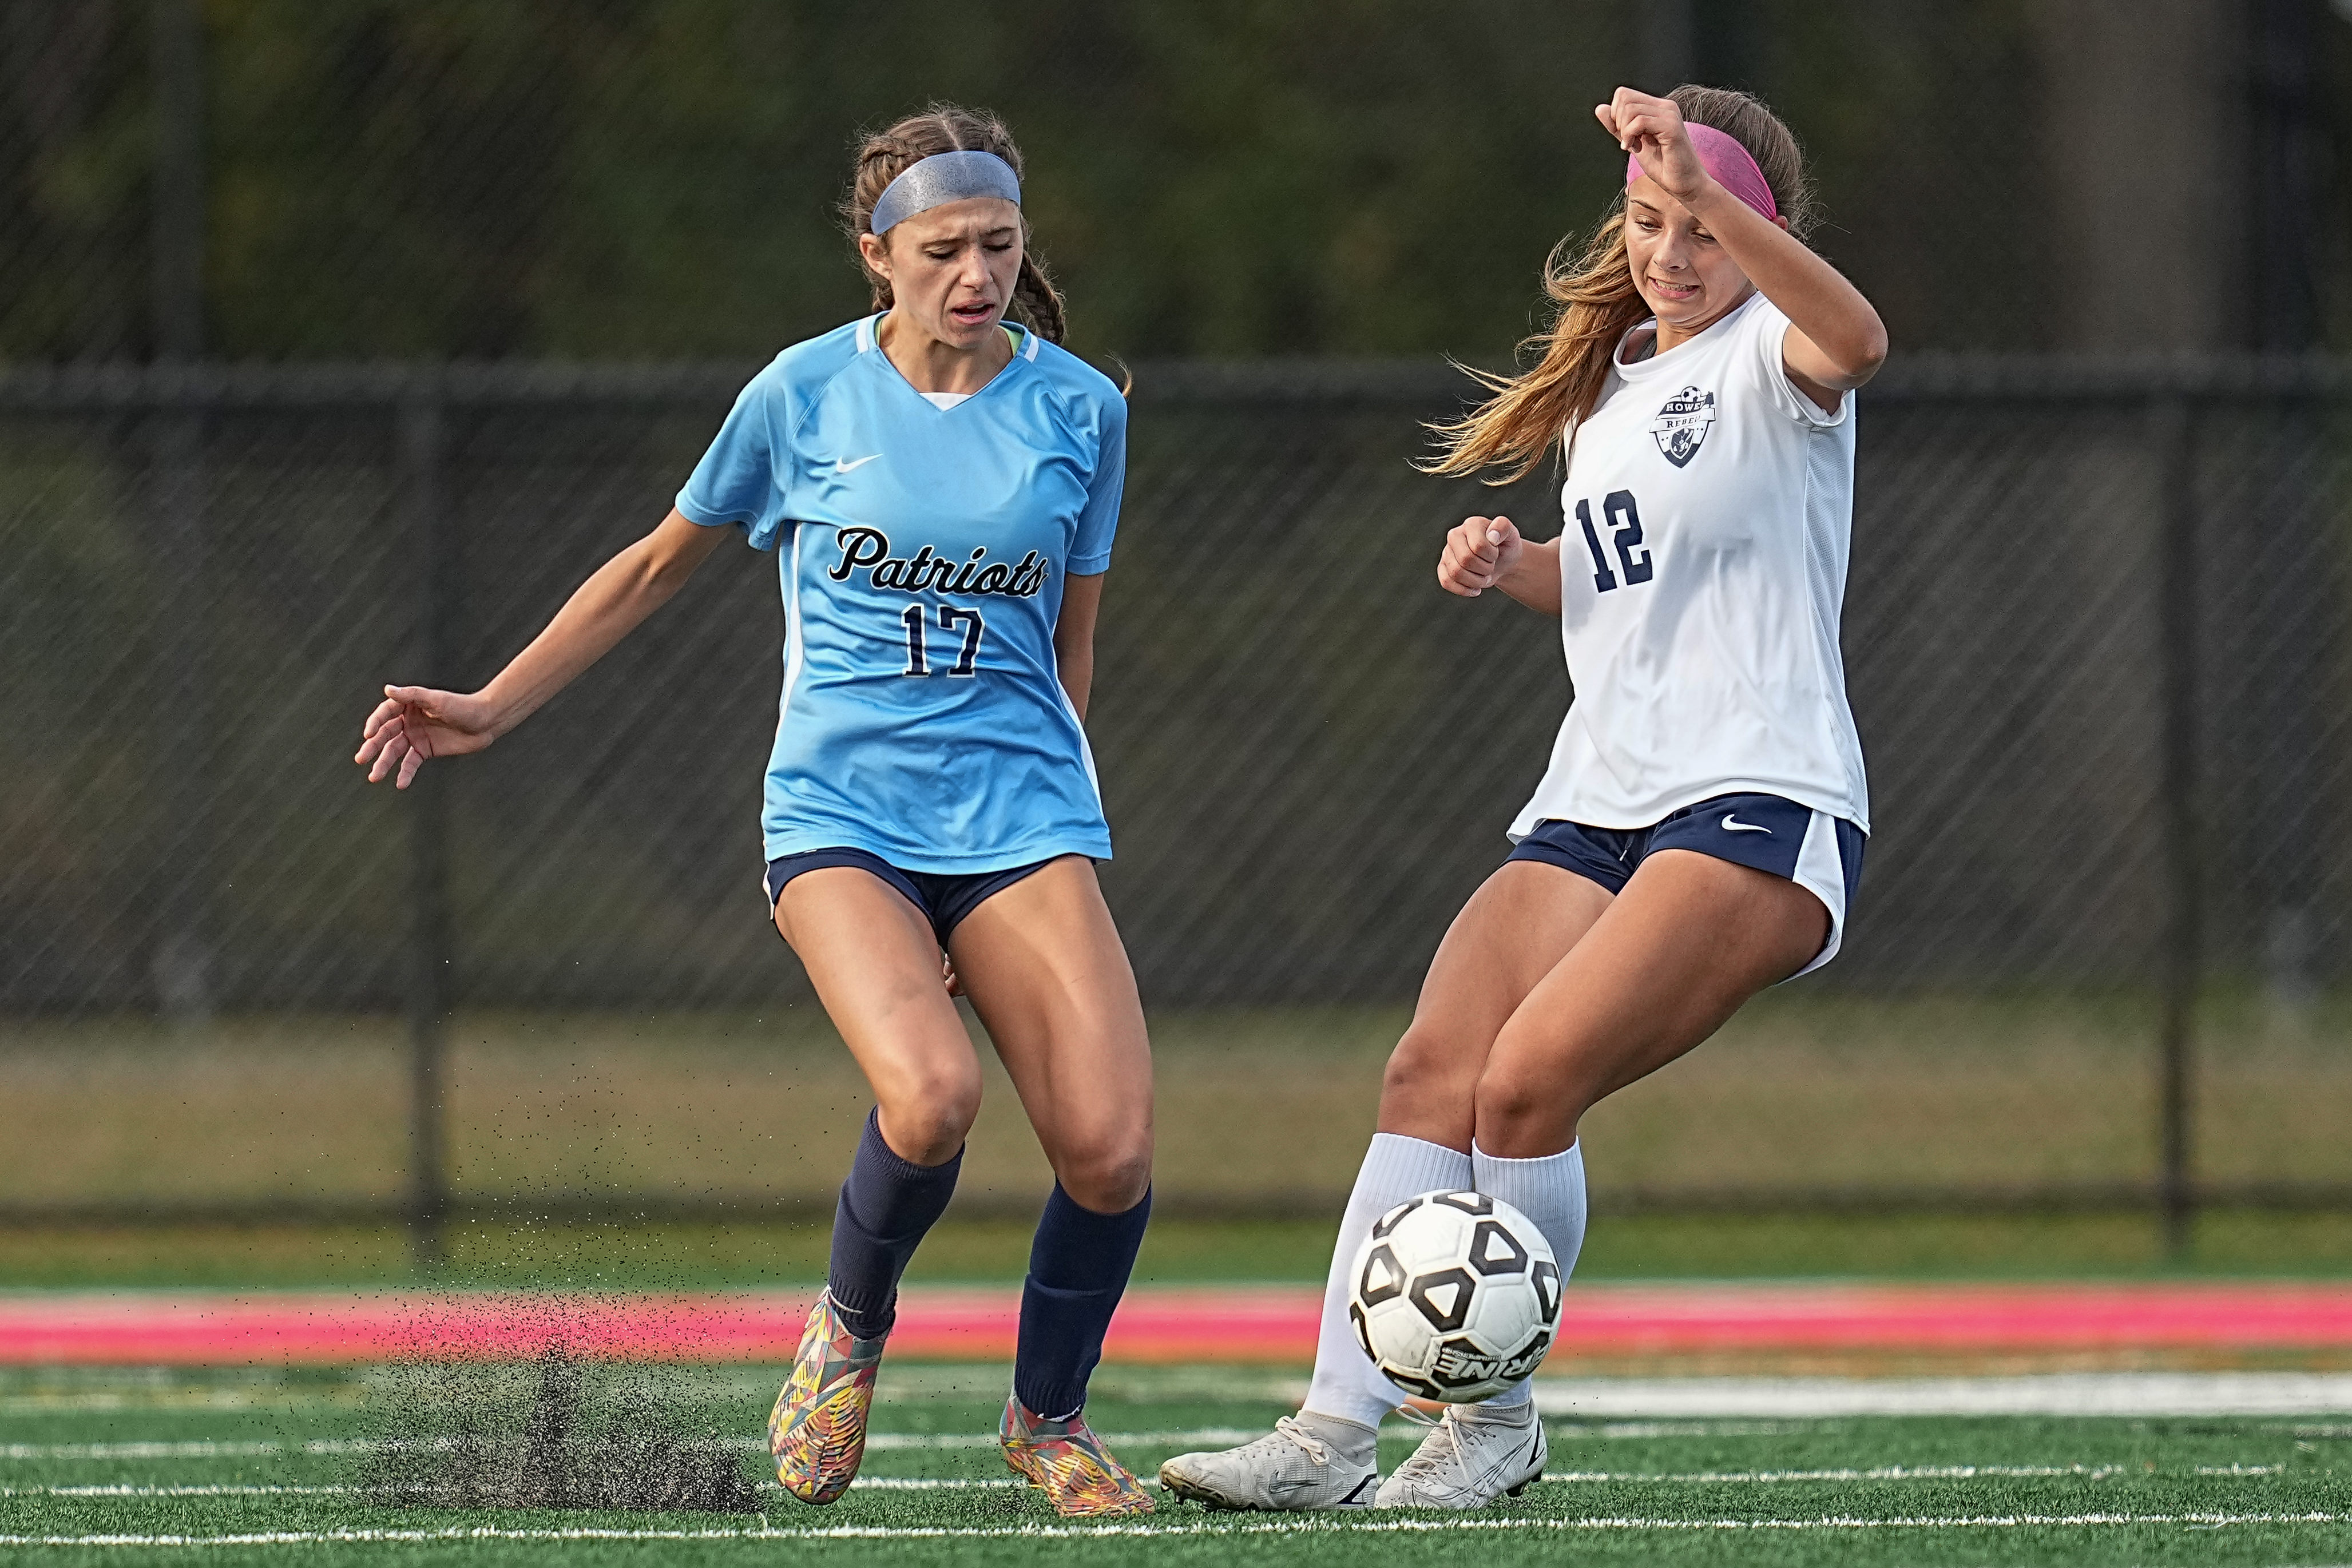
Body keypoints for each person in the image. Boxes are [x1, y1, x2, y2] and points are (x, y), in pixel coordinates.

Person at [352, 104, 1157, 1520]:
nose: (975, 273)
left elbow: (1068, 647)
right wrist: (489, 704)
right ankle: (846, 1332)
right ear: (877, 255)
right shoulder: (801, 395)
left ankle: (1051, 1421)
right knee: (932, 1097)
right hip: (842, 812)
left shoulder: (1082, 408)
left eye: (1000, 244)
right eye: (943, 248)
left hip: (1021, 815)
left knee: (1109, 1149)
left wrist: (1051, 844)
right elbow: (655, 569)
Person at [1161, 83, 1885, 1513]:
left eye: (1702, 226)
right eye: (1649, 221)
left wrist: (1715, 187)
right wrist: (1517, 563)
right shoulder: (1615, 382)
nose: (1674, 253)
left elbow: (1858, 340)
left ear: (1757, 230)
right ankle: (1328, 1434)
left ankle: (1489, 1433)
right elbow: (1618, 569)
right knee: (1431, 1074)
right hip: (1597, 793)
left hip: (1753, 797)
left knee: (1526, 1084)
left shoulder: (1773, 354)